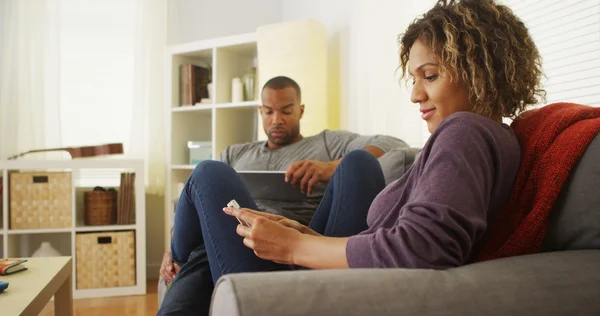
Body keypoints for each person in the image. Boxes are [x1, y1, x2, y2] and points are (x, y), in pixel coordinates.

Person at [158, 0, 544, 314]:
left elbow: (424, 248)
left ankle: (175, 259)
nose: (414, 94)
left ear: (477, 70)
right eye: (414, 78)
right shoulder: (489, 136)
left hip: (300, 292)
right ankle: (185, 255)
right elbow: (404, 238)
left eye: (429, 75)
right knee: (216, 210)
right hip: (325, 272)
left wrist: (293, 247)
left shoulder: (465, 131)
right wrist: (301, 235)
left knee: (207, 174)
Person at [157, 76, 412, 304]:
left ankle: (337, 285)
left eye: (286, 111)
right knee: (208, 171)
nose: (276, 120)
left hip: (308, 245)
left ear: (300, 110)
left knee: (359, 161)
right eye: (268, 112)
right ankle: (181, 260)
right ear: (260, 111)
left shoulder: (325, 142)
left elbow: (391, 143)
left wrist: (329, 167)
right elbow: (195, 202)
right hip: (242, 242)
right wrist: (171, 244)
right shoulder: (237, 153)